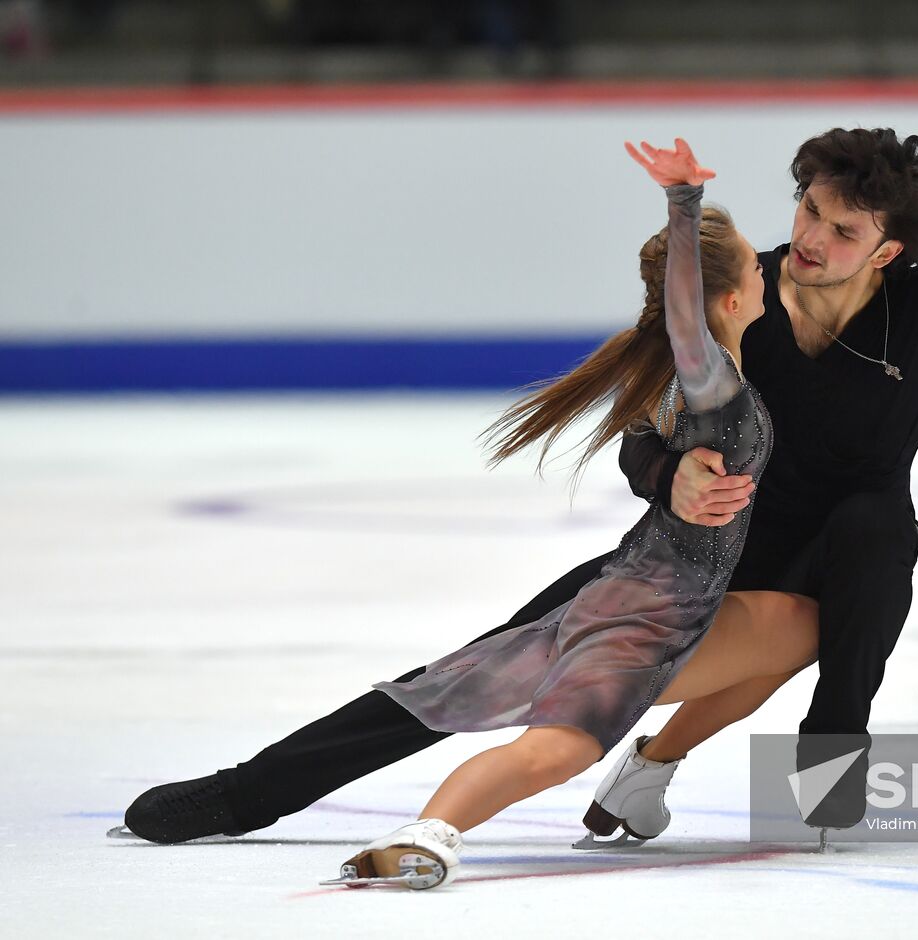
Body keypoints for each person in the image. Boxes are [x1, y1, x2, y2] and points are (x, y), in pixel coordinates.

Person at [122, 62, 918, 849]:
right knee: (474, 671)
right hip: (693, 553)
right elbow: (638, 425)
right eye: (807, 210)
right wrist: (667, 475)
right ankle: (243, 794)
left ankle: (832, 755)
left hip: (831, 568)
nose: (809, 240)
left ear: (890, 249)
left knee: (877, 535)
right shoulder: (738, 293)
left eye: (841, 231)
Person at [122, 140, 822, 889]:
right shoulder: (706, 373)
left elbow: (648, 434)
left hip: (661, 587)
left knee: (805, 632)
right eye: (756, 265)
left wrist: (666, 470)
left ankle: (646, 771)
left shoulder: (694, 372)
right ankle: (334, 812)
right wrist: (684, 204)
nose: (769, 270)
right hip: (642, 597)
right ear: (727, 299)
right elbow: (666, 387)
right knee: (498, 715)